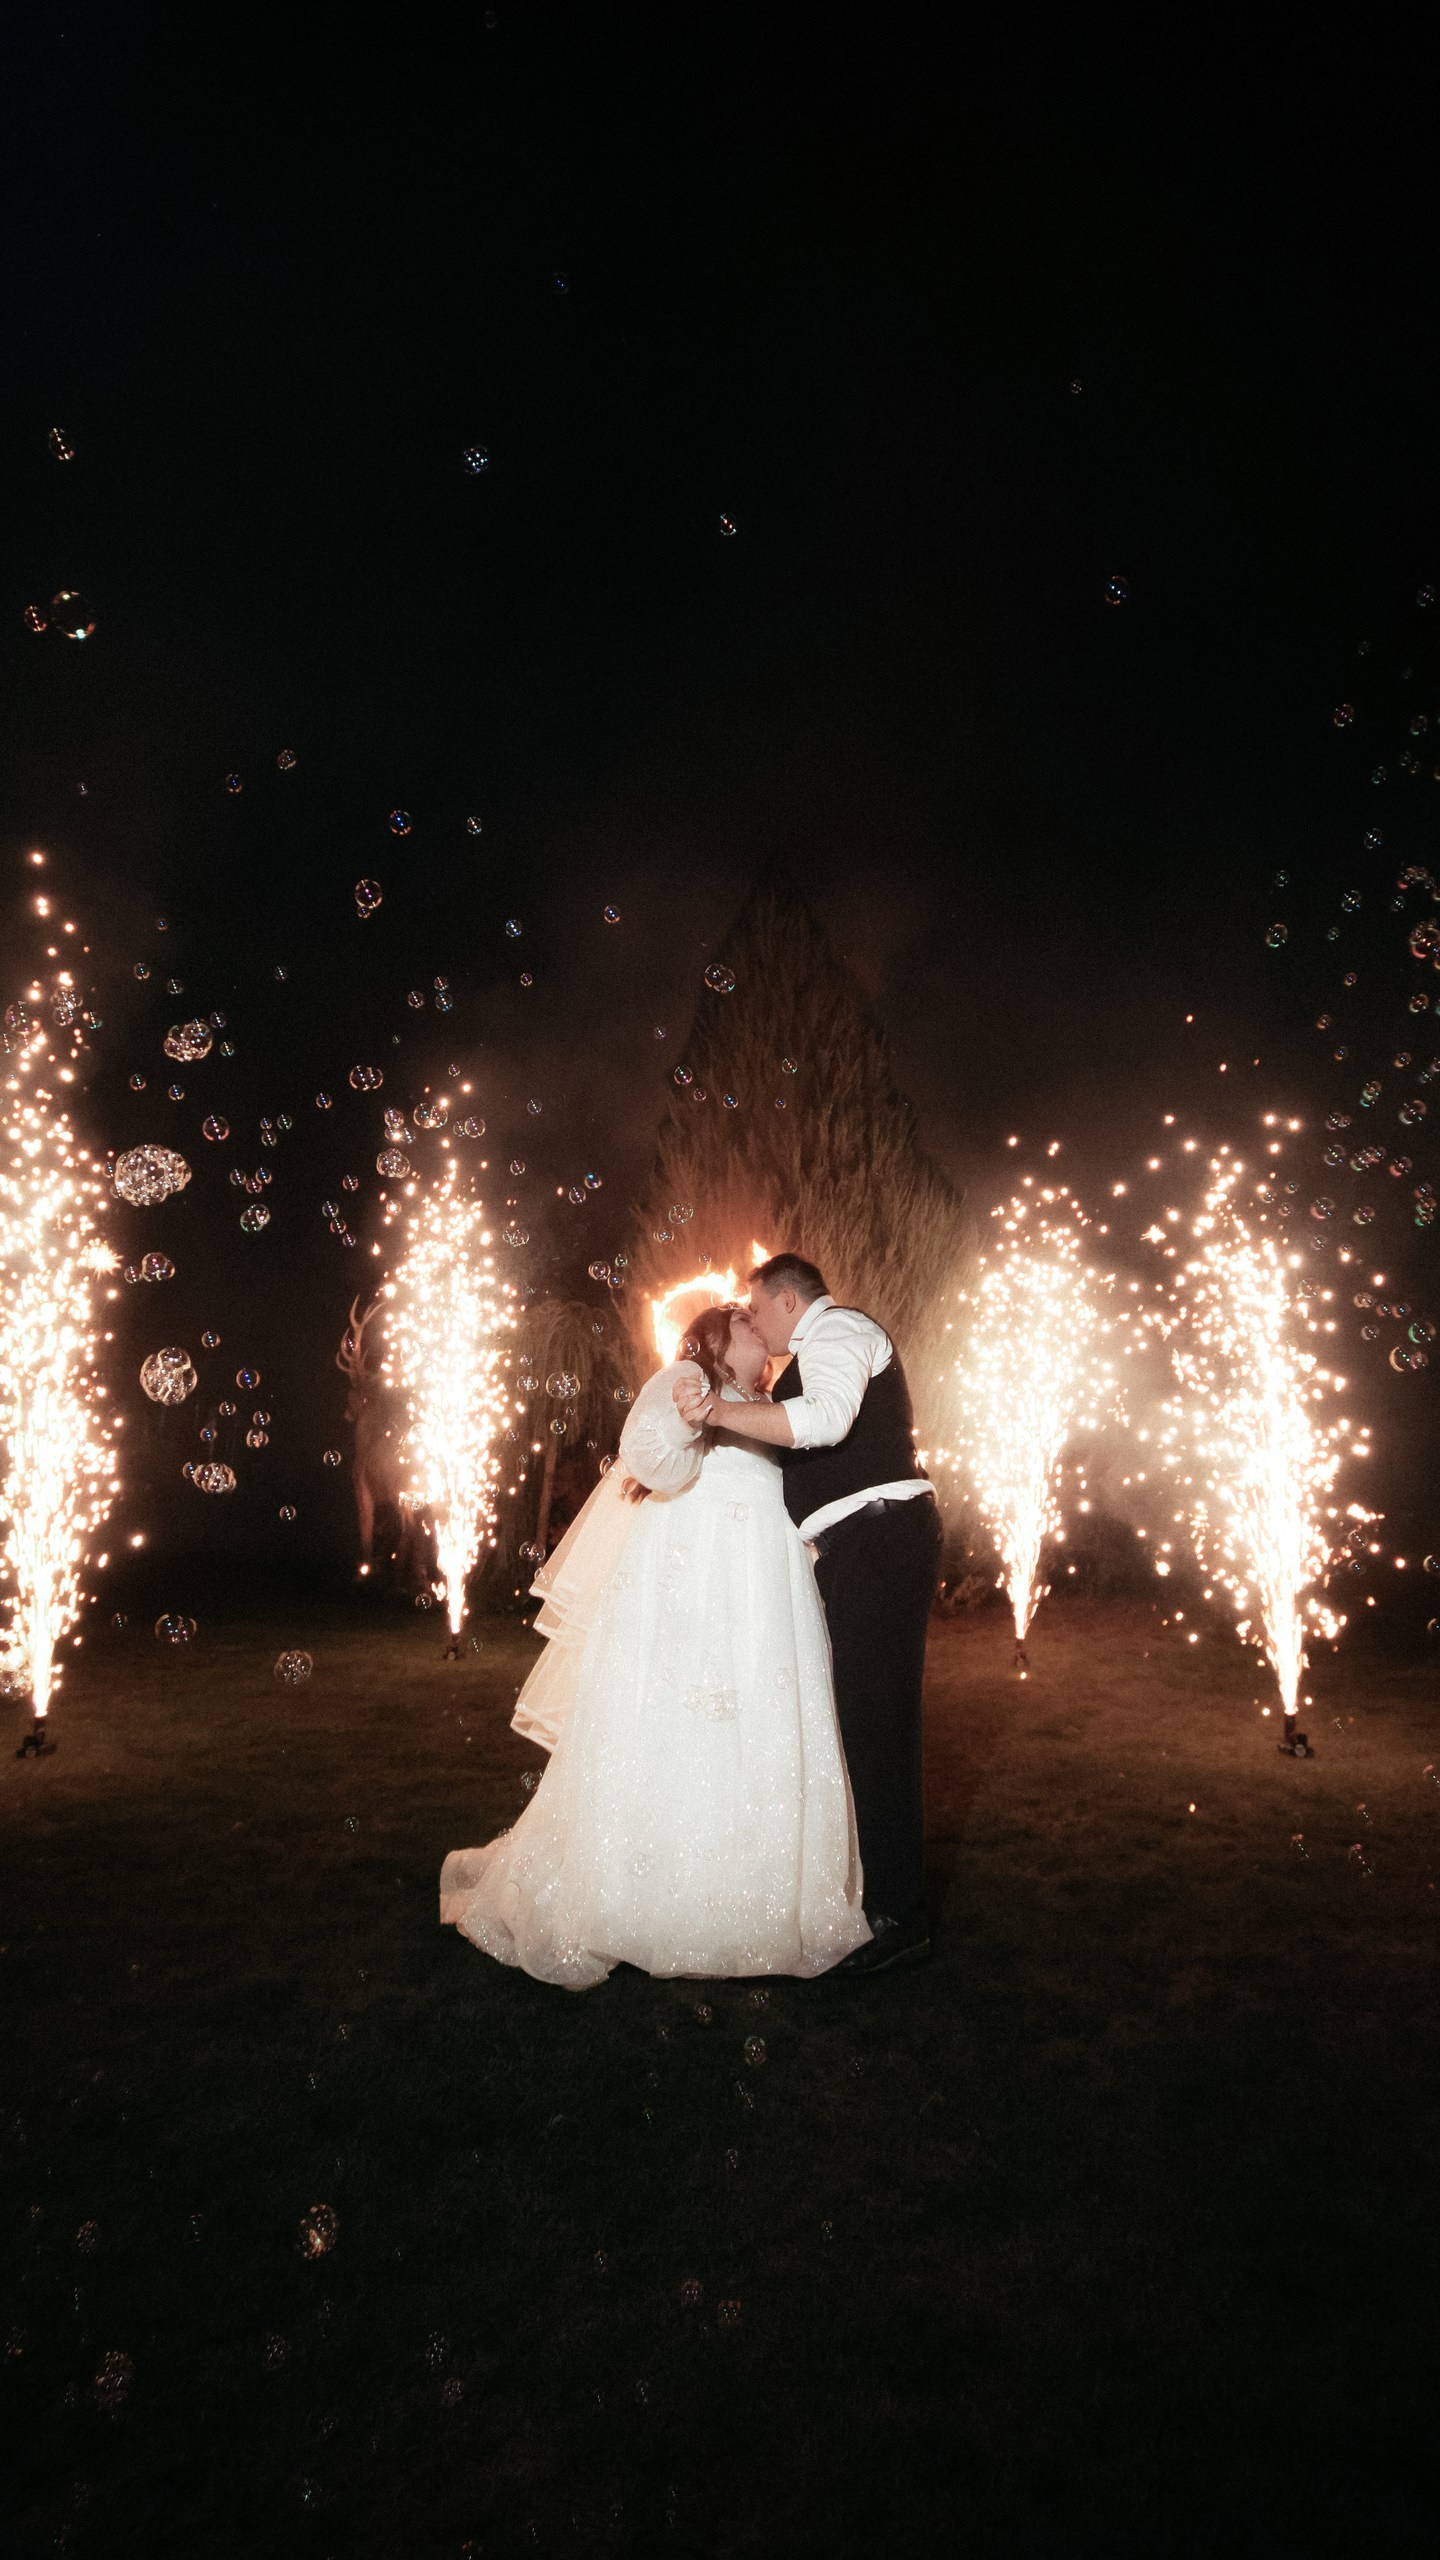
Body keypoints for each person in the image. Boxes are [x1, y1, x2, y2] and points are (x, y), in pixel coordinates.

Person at [439, 1305, 869, 1989]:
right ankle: (644, 1895)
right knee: (682, 1727)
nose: (760, 1329)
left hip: (763, 1599)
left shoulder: (766, 1405)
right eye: (746, 1322)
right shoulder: (687, 1379)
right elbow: (651, 1461)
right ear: (718, 1340)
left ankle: (752, 1890)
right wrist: (685, 1418)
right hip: (697, 1593)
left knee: (758, 1730)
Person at [674, 1254, 940, 1974]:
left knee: (878, 1726)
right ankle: (880, 1901)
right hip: (859, 1548)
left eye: (757, 1307)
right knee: (862, 1723)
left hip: (880, 1537)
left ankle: (898, 1918)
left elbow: (825, 1420)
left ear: (789, 1300)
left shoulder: (840, 1330)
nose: (752, 1319)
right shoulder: (809, 1355)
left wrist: (716, 1411)